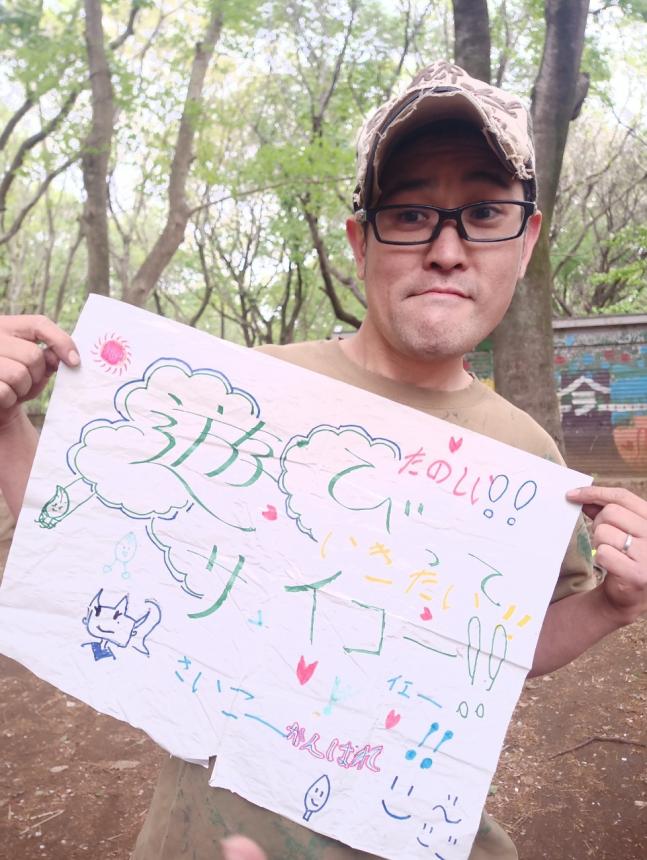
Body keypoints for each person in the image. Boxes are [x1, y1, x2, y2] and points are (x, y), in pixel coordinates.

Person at [0, 60, 645, 860]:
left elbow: (503, 650)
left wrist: (611, 605)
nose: (446, 249)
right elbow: (94, 544)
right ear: (359, 241)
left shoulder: (527, 460)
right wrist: (8, 425)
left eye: (484, 212)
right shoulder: (244, 392)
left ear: (527, 240)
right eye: (409, 214)